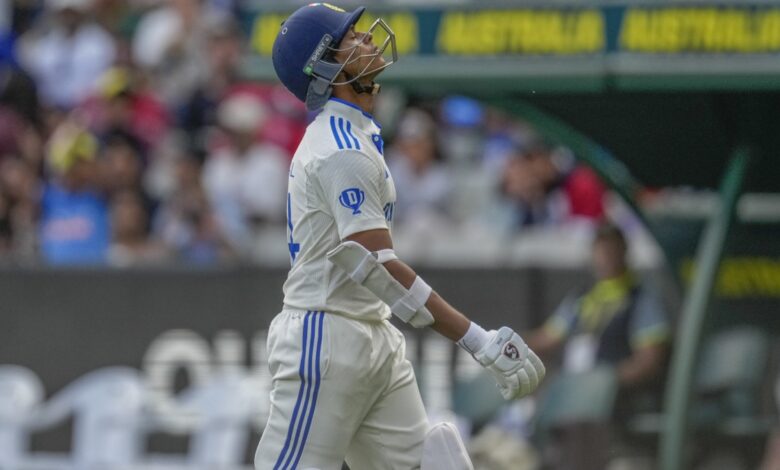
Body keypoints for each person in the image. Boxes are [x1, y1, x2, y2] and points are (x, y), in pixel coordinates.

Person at [253, 5, 545, 470]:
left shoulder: (357, 133)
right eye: (350, 37)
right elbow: (378, 266)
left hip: (368, 333)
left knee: (432, 463)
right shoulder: (341, 148)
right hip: (325, 335)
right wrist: (476, 339)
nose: (367, 38)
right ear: (324, 66)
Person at [527, 222, 671, 470]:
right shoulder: (584, 296)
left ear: (624, 253)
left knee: (581, 420)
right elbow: (549, 337)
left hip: (615, 396)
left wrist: (606, 381)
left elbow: (649, 360)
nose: (605, 259)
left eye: (611, 252)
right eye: (601, 252)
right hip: (574, 389)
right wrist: (504, 343)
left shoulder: (641, 298)